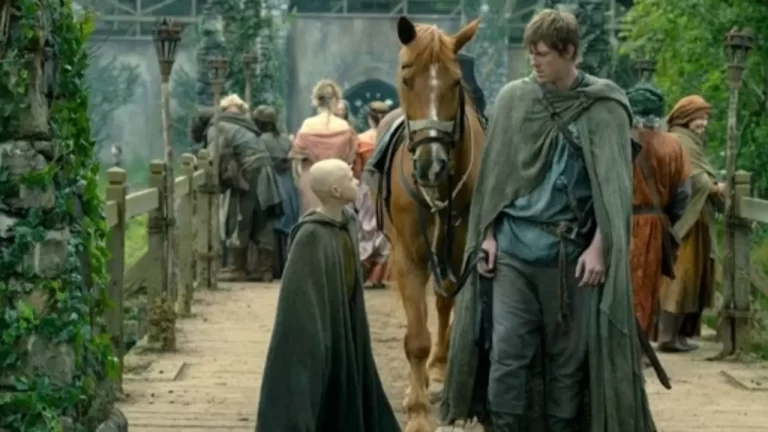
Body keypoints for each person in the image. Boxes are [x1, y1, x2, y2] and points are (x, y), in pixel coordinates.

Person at [441, 9, 655, 431]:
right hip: (513, 253)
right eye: (531, 53)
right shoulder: (514, 100)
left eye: (543, 54)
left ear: (569, 52)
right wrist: (487, 235)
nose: (534, 62)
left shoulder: (605, 106)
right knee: (507, 352)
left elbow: (613, 191)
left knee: (567, 362)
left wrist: (600, 247)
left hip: (571, 256)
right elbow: (495, 178)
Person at [256, 158, 400, 432]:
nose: (356, 181)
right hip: (319, 324)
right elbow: (299, 301)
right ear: (335, 190)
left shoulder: (348, 221)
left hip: (345, 318)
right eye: (349, 178)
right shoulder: (310, 235)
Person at [658, 95, 723, 352]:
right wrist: (714, 187)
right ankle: (668, 336)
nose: (703, 123)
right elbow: (694, 180)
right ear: (685, 117)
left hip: (698, 221)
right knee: (680, 276)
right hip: (686, 221)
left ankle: (680, 335)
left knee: (694, 276)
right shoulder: (680, 140)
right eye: (698, 117)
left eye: (705, 118)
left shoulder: (690, 142)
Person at [627, 83, 691, 341]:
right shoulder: (674, 145)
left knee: (616, 286)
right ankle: (640, 345)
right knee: (646, 288)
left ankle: (616, 346)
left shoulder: (617, 140)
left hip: (619, 222)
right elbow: (683, 194)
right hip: (655, 224)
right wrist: (666, 218)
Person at [208, 94, 283, 282]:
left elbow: (214, 155)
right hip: (264, 170)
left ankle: (237, 268)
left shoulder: (219, 126)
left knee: (239, 216)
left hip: (249, 173)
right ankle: (265, 270)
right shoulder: (248, 127)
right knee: (262, 217)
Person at [291, 79, 358, 214]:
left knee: (313, 218)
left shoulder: (307, 125)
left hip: (312, 181)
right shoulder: (344, 126)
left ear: (316, 100)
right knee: (339, 217)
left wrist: (300, 182)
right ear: (335, 99)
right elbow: (350, 159)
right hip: (337, 180)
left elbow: (296, 161)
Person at [252, 105, 300, 278]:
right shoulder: (286, 139)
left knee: (269, 223)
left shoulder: (260, 140)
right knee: (287, 222)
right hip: (288, 184)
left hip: (271, 182)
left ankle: (267, 267)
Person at [353, 101, 391, 288]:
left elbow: (357, 168)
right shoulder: (393, 138)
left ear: (369, 118)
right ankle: (376, 278)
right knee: (385, 232)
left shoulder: (361, 139)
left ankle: (363, 273)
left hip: (368, 186)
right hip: (389, 188)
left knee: (366, 229)